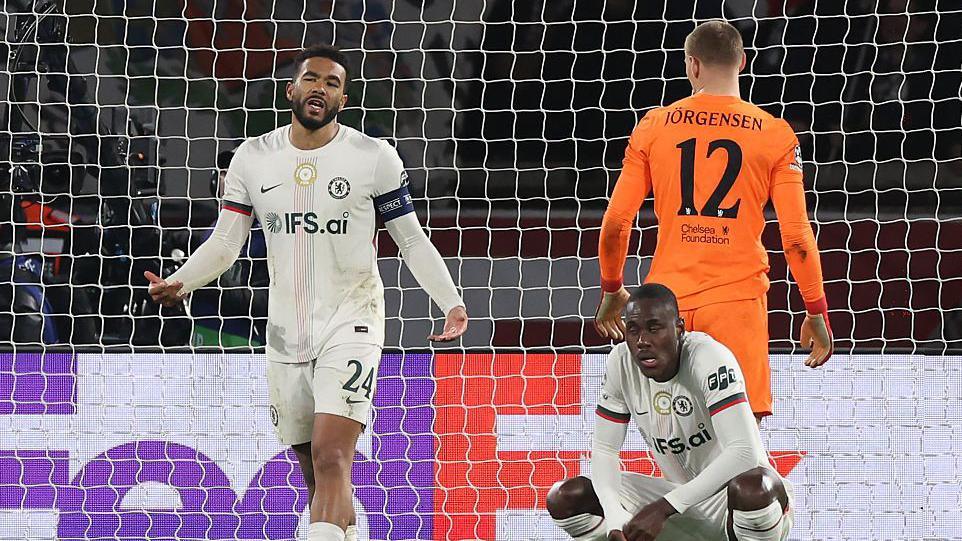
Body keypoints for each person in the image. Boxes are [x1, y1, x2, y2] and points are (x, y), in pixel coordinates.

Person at [144, 44, 468, 541]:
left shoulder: (373, 158)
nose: (321, 88)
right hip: (286, 330)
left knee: (332, 454)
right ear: (291, 89)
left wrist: (450, 301)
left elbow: (410, 240)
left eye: (332, 83)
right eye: (312, 79)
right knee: (314, 469)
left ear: (343, 99)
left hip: (353, 318)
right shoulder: (254, 158)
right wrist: (182, 281)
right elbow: (227, 242)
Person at [595, 20, 833, 420]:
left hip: (667, 307)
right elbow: (796, 238)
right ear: (742, 62)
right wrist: (815, 309)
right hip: (737, 304)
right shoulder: (775, 134)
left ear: (692, 65)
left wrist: (612, 288)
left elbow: (617, 221)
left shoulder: (654, 126)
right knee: (740, 445)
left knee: (674, 440)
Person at [550, 284, 793, 541]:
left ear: (679, 328)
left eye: (654, 328)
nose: (642, 341)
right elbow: (604, 450)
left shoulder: (708, 357)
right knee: (567, 498)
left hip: (734, 505)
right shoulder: (621, 362)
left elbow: (744, 453)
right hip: (681, 503)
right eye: (633, 330)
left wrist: (665, 507)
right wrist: (613, 515)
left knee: (754, 488)